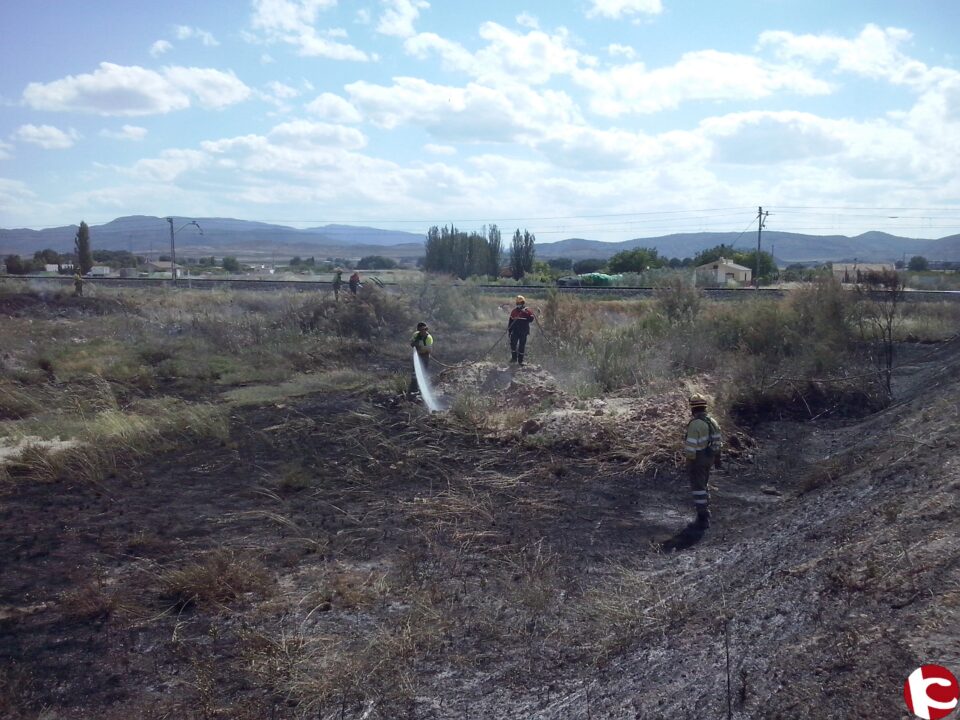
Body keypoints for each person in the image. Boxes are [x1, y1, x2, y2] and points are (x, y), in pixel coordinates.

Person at [683, 394, 723, 529]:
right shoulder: (713, 421)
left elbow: (690, 447)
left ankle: (702, 517)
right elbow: (718, 442)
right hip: (709, 457)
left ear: (692, 408)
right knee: (704, 484)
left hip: (697, 460)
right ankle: (706, 511)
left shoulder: (695, 424)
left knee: (698, 488)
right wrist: (717, 458)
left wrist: (689, 462)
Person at [507, 295, 535, 366]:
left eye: (520, 303)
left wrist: (525, 313)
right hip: (515, 331)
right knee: (513, 344)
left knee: (521, 346)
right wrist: (509, 331)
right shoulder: (514, 311)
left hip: (523, 331)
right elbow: (510, 322)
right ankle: (514, 358)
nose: (519, 305)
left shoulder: (528, 311)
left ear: (523, 303)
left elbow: (531, 319)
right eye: (518, 303)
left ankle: (520, 361)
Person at [408, 321, 433, 396]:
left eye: (424, 329)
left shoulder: (428, 338)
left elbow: (428, 350)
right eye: (420, 330)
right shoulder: (416, 335)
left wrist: (420, 347)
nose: (422, 331)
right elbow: (411, 342)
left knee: (423, 372)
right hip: (417, 356)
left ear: (426, 329)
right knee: (414, 373)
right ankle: (413, 388)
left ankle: (422, 390)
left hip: (424, 356)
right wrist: (415, 344)